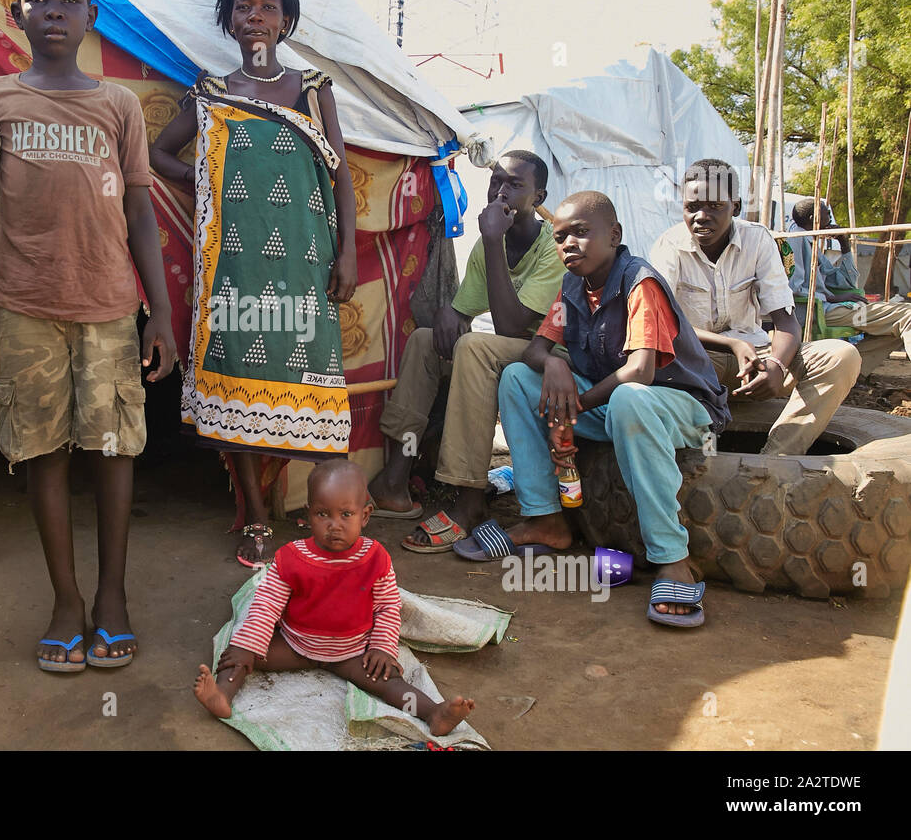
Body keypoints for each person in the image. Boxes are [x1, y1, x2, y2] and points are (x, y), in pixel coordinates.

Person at [0, 0, 177, 672]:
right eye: (37, 0)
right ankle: (65, 601)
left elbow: (141, 212)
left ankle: (113, 597)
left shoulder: (118, 106)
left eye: (66, 1)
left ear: (88, 17)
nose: (52, 12)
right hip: (22, 306)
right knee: (42, 449)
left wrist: (160, 315)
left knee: (111, 451)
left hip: (109, 306)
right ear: (16, 13)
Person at [151, 0, 357, 548]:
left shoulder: (312, 89)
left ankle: (325, 517)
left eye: (267, 6)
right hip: (233, 263)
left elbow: (339, 173)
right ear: (229, 21)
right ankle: (257, 515)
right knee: (241, 377)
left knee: (308, 373)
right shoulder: (214, 94)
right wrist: (210, 180)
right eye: (244, 8)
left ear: (286, 19)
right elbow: (160, 153)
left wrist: (349, 253)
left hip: (305, 259)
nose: (255, 16)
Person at [489, 192, 731, 628]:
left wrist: (575, 404)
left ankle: (672, 558)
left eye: (581, 233)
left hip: (680, 408)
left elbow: (640, 371)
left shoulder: (640, 282)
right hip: (616, 406)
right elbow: (536, 350)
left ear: (614, 236)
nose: (568, 245)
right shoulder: (572, 287)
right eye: (560, 237)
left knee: (630, 396)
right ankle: (545, 518)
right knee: (517, 379)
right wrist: (556, 364)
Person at [366, 150, 565, 555]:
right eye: (496, 182)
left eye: (515, 184)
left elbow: (512, 326)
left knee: (474, 347)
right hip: (509, 349)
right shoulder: (486, 245)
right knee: (425, 341)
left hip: (547, 356)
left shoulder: (553, 247)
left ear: (538, 195)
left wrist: (493, 240)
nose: (501, 191)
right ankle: (396, 479)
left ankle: (470, 499)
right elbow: (461, 310)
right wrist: (447, 314)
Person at [192, 460, 476, 736]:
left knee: (389, 681)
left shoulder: (375, 558)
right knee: (241, 652)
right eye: (322, 514)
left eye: (346, 515)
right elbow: (266, 606)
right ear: (308, 513)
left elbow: (389, 607)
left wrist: (382, 648)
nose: (334, 525)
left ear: (365, 515)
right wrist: (248, 645)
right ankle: (222, 695)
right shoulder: (291, 558)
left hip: (353, 654)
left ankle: (433, 713)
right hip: (295, 646)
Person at [650, 160, 859, 456]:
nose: (701, 216)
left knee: (841, 356)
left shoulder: (758, 239)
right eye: (692, 207)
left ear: (735, 207)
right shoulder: (669, 246)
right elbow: (664, 324)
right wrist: (733, 343)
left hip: (752, 361)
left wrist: (776, 365)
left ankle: (777, 457)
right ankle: (696, 456)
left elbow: (785, 321)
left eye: (714, 206)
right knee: (648, 366)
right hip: (696, 362)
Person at [788, 198, 911, 365]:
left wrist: (844, 243)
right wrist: (832, 298)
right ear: (813, 217)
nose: (830, 219)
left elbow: (846, 283)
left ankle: (856, 368)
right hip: (817, 312)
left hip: (832, 309)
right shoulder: (794, 239)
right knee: (908, 317)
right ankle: (854, 368)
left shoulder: (812, 241)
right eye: (827, 214)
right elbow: (792, 288)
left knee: (901, 320)